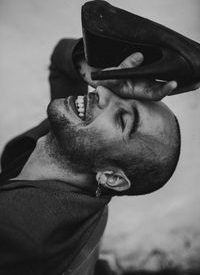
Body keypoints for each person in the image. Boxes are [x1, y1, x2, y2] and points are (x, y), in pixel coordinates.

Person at [0, 38, 198, 275]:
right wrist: (106, 75)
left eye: (122, 119)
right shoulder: (76, 152)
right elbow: (62, 63)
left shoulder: (15, 229)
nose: (102, 92)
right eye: (118, 94)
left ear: (111, 177)